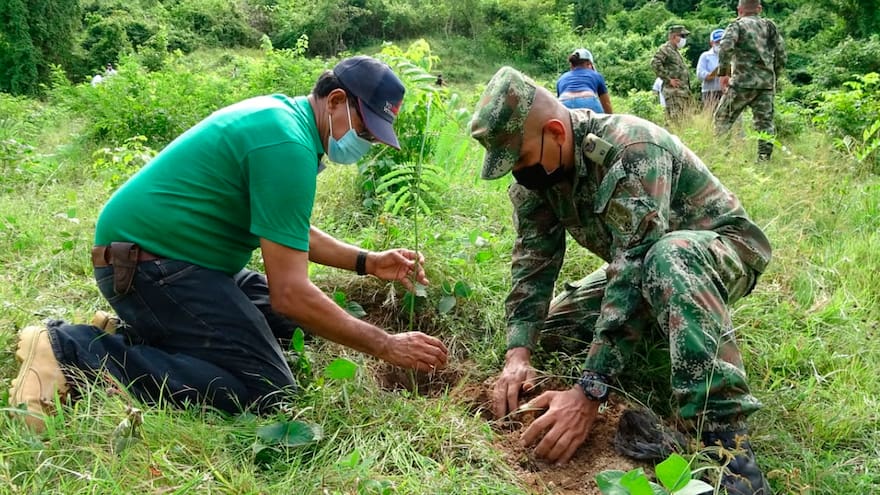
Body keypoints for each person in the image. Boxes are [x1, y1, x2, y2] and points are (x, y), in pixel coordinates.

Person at [9, 55, 449, 433]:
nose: (366, 144)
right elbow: (291, 293)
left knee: (294, 329)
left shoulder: (287, 122)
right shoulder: (286, 143)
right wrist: (385, 344)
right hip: (149, 265)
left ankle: (138, 332)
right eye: (366, 131)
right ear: (335, 102)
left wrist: (367, 262)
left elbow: (287, 232)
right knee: (265, 388)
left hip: (182, 260)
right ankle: (72, 352)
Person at [470, 66, 772, 494]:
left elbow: (635, 262)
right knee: (557, 330)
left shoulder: (631, 148)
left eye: (520, 159)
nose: (520, 173)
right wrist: (517, 353)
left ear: (555, 132)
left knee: (667, 259)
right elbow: (532, 265)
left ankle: (723, 442)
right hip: (643, 262)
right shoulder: (539, 180)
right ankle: (667, 333)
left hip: (717, 252)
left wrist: (590, 391)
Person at [715, 0, 786, 161]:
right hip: (765, 85)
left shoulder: (737, 25)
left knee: (723, 118)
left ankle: (722, 156)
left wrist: (724, 74)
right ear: (759, 9)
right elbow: (781, 54)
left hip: (741, 83)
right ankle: (764, 160)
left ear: (739, 9)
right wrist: (774, 74)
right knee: (765, 125)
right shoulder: (769, 26)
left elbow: (726, 47)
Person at [651, 25, 693, 123]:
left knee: (683, 122)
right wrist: (668, 79)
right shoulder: (665, 49)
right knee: (676, 122)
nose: (684, 39)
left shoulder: (675, 51)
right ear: (674, 36)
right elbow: (654, 63)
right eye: (682, 36)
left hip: (682, 94)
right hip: (674, 93)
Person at [556, 48, 613, 114]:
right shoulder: (596, 75)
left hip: (564, 104)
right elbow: (606, 104)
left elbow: (558, 101)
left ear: (571, 65)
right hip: (588, 101)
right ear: (589, 64)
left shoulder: (561, 78)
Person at [697, 29, 725, 112]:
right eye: (717, 42)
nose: (720, 44)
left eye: (722, 42)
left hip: (726, 91)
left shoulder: (731, 55)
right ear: (711, 43)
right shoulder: (705, 56)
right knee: (710, 116)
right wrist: (712, 74)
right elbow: (699, 73)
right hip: (710, 92)